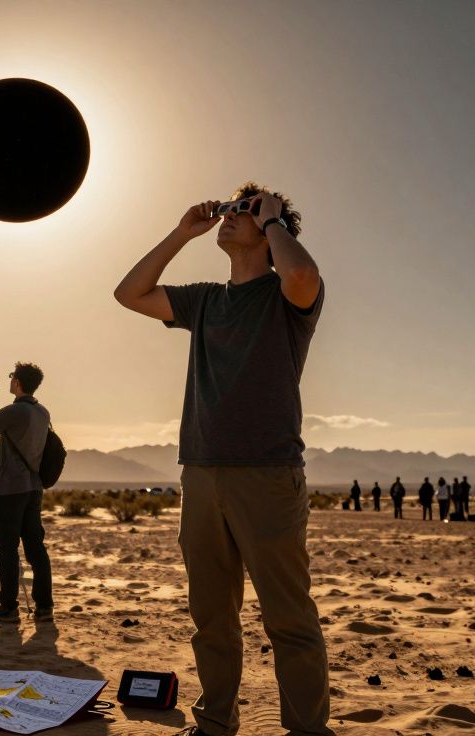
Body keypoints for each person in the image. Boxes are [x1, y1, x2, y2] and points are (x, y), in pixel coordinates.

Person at [114, 182, 333, 736]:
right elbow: (129, 293)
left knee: (287, 616)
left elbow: (303, 274)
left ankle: (308, 730)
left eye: (245, 210)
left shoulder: (287, 295)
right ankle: (215, 724)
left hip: (268, 474)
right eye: (231, 208)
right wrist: (182, 233)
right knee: (211, 617)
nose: (231, 215)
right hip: (201, 473)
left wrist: (274, 218)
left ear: (271, 227)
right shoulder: (206, 299)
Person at [0, 362, 54, 624]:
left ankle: (8, 607)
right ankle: (44, 607)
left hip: (11, 489)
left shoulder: (14, 411)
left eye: (12, 377)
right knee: (35, 548)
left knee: (7, 548)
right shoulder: (42, 412)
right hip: (34, 488)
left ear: (17, 382)